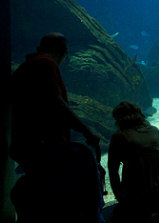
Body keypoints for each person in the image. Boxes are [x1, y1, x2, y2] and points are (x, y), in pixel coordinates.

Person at [10, 32, 104, 222]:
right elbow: (56, 103)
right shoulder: (45, 64)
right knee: (54, 197)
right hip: (42, 145)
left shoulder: (27, 66)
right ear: (62, 51)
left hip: (28, 145)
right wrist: (86, 130)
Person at [108, 101, 159, 223]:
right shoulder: (155, 131)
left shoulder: (119, 136)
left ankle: (151, 217)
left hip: (136, 194)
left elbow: (113, 171)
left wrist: (120, 197)